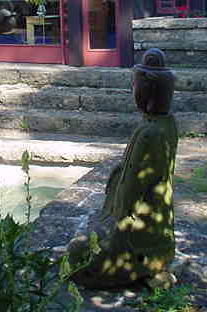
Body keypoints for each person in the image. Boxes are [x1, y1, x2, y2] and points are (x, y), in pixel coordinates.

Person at [68, 48, 178, 288]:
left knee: (76, 254)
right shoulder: (166, 124)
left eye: (135, 86)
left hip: (137, 227)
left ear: (146, 92)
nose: (132, 91)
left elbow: (132, 188)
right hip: (158, 221)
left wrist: (116, 217)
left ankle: (140, 264)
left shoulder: (149, 132)